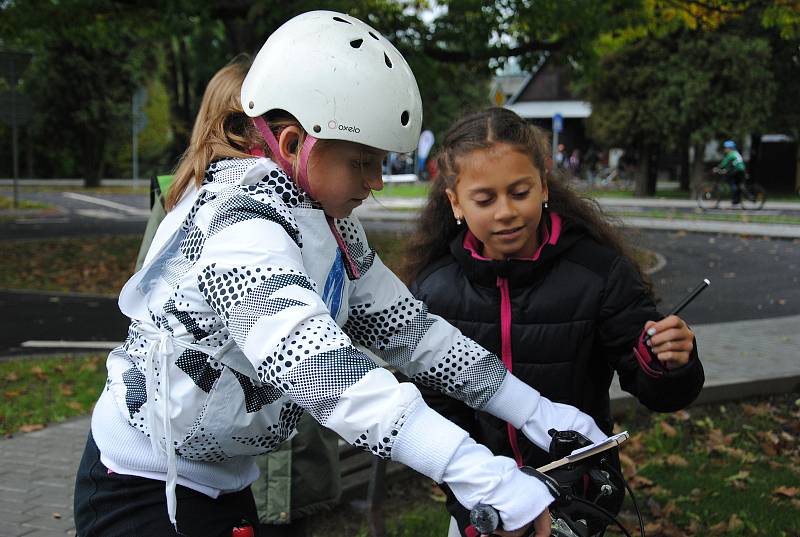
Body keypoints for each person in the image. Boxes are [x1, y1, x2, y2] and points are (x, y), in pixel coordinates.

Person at [73, 12, 607, 537]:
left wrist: (536, 411)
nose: (376, 181)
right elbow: (321, 370)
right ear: (291, 145)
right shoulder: (236, 229)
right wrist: (473, 469)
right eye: (361, 161)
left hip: (220, 481)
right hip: (144, 490)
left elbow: (411, 332)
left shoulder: (326, 224)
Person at [403, 107, 705, 537]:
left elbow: (660, 392)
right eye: (485, 199)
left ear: (544, 184)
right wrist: (470, 499)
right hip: (483, 505)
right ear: (455, 202)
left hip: (579, 500)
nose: (505, 212)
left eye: (520, 192)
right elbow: (434, 411)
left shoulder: (599, 274)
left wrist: (669, 361)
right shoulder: (434, 290)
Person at [133, 59, 339, 537]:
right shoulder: (189, 199)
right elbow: (154, 304)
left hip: (294, 438)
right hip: (217, 444)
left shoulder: (314, 205)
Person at [713, 139, 747, 206]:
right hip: (741, 170)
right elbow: (731, 164)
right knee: (738, 185)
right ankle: (736, 199)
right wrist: (725, 169)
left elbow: (724, 163)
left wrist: (717, 168)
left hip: (737, 170)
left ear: (729, 148)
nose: (724, 149)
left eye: (725, 148)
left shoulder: (731, 154)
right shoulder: (735, 153)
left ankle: (735, 197)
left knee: (730, 180)